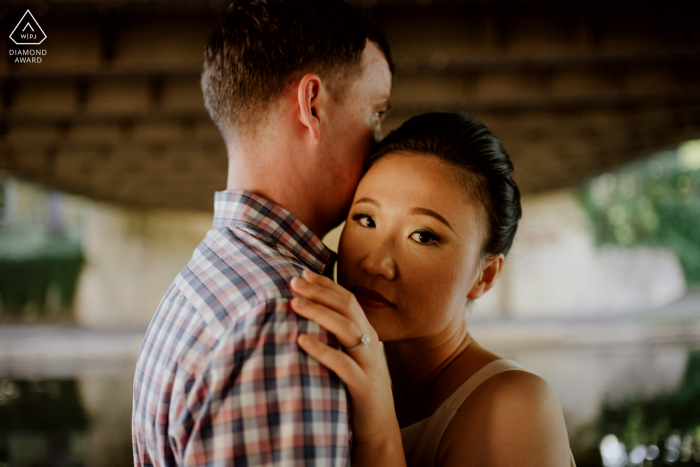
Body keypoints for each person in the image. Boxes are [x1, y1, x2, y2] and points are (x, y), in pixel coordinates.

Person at [131, 0, 392, 465]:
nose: (380, 144)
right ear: (312, 105)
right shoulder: (286, 319)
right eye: (376, 112)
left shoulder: (207, 282)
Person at [288, 112, 576, 466]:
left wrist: (378, 433)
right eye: (366, 219)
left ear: (484, 276)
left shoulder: (515, 406)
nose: (376, 263)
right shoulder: (321, 368)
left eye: (423, 236)